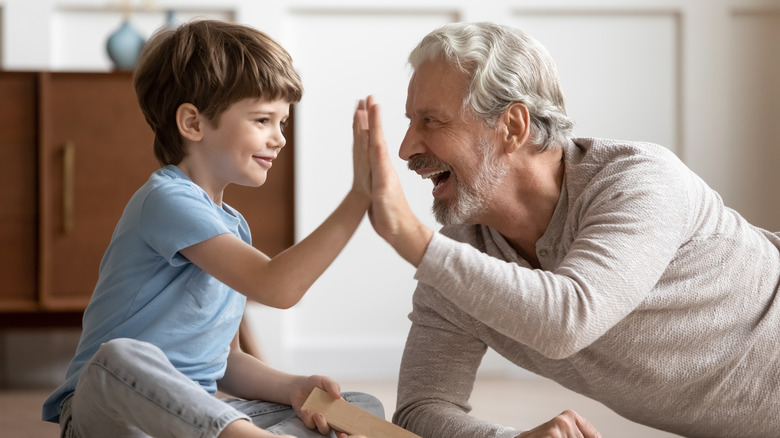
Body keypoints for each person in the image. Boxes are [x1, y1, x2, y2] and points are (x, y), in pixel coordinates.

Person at [358, 21, 780, 438]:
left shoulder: (639, 181)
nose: (406, 147)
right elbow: (421, 409)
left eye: (431, 121)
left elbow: (568, 319)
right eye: (411, 122)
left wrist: (409, 237)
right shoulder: (460, 257)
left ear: (513, 127)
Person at [42, 20, 381, 438]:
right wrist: (358, 199)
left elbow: (224, 362)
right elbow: (277, 287)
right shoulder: (166, 199)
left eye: (283, 123)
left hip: (193, 420)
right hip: (108, 413)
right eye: (262, 120)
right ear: (193, 124)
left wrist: (294, 387)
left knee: (358, 407)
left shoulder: (233, 227)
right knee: (115, 360)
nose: (279, 139)